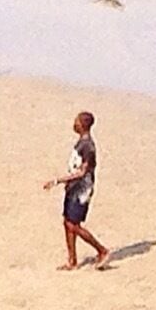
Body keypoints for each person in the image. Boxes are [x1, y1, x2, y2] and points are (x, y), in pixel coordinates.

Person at [44, 110, 110, 270]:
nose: (74, 124)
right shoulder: (81, 142)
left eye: (77, 122)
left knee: (74, 225)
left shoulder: (88, 147)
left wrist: (57, 180)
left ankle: (102, 250)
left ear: (83, 125)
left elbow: (82, 172)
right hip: (73, 187)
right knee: (67, 222)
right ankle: (72, 260)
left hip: (82, 190)